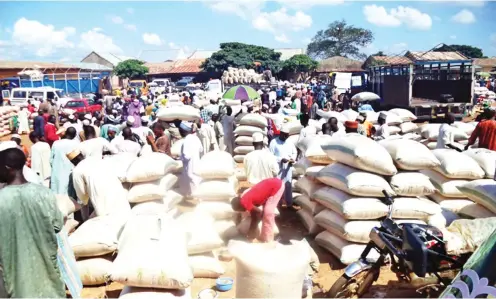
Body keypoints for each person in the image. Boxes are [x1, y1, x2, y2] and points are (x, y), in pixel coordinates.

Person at [0, 147, 68, 298]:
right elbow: (57, 224)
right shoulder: (44, 193)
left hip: (16, 282)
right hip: (48, 279)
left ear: (7, 168)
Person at [67, 149, 130, 219]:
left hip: (102, 202)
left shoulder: (77, 171)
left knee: (107, 222)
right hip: (118, 193)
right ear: (81, 155)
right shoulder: (98, 160)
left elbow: (81, 194)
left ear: (72, 162)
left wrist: (85, 218)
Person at [231, 178, 284, 242]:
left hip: (277, 186)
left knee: (268, 212)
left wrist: (251, 233)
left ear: (240, 206)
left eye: (240, 210)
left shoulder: (244, 201)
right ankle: (264, 236)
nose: (242, 211)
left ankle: (268, 239)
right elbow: (256, 213)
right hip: (270, 185)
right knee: (264, 213)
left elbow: (257, 215)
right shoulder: (244, 199)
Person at [269, 124, 297, 209]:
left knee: (288, 185)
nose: (286, 137)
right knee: (278, 185)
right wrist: (280, 159)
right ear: (281, 133)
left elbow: (294, 152)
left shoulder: (289, 142)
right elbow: (270, 156)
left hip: (288, 167)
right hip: (278, 167)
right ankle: (278, 203)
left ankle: (289, 203)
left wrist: (292, 159)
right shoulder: (274, 142)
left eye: (287, 135)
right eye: (285, 135)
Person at [50, 127, 78, 195]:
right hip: (69, 172)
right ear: (74, 135)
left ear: (65, 133)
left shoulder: (56, 143)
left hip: (57, 172)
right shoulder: (76, 143)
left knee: (57, 193)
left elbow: (51, 160)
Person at [179, 121, 203, 197]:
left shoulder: (186, 140)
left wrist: (180, 157)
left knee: (192, 182)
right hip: (197, 163)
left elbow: (186, 156)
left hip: (190, 166)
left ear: (183, 131)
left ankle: (195, 199)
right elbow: (201, 149)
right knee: (197, 181)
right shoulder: (195, 138)